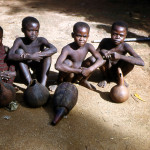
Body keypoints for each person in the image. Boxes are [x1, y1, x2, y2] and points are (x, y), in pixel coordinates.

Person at [8, 16, 57, 86]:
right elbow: (10, 56)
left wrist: (38, 55)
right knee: (19, 51)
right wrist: (30, 57)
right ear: (23, 30)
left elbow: (54, 49)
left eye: (36, 31)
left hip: (38, 69)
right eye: (30, 30)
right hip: (24, 71)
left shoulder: (41, 40)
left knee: (47, 51)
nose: (33, 33)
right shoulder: (19, 41)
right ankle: (30, 83)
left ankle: (43, 84)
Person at [55, 22, 105, 90]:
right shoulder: (67, 49)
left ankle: (83, 81)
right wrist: (76, 71)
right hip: (70, 74)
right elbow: (58, 66)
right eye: (78, 36)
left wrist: (89, 69)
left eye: (84, 36)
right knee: (67, 63)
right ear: (73, 35)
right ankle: (60, 83)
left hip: (81, 74)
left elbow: (101, 59)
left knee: (92, 59)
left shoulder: (88, 46)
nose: (81, 39)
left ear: (88, 36)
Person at [95, 21, 145, 87]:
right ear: (111, 33)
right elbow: (95, 54)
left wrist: (120, 56)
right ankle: (105, 78)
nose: (118, 37)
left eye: (121, 35)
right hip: (106, 70)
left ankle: (119, 78)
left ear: (125, 35)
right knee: (100, 58)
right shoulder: (105, 41)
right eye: (115, 34)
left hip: (119, 70)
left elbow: (141, 62)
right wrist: (102, 51)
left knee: (131, 62)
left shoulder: (125, 46)